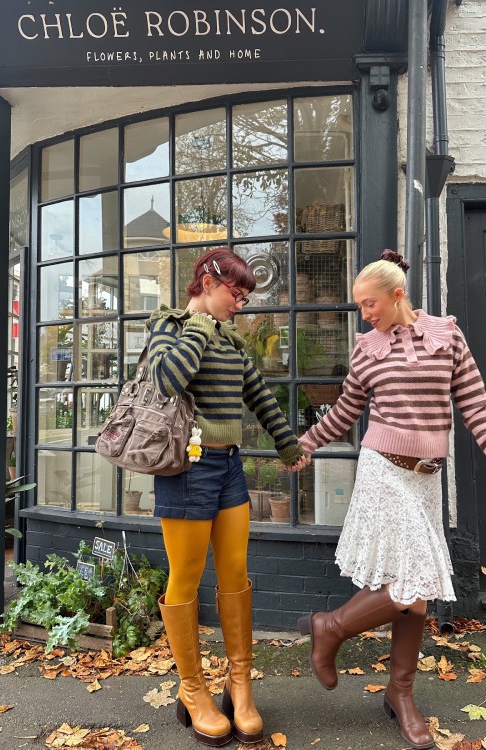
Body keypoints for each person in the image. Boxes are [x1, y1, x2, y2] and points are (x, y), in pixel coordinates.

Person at [297, 249, 486, 750]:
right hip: (383, 472)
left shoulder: (447, 337)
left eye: (370, 304)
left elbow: (474, 404)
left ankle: (398, 693)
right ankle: (332, 628)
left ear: (397, 294)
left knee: (414, 596)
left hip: (425, 480)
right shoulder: (367, 349)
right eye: (360, 306)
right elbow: (345, 412)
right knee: (414, 587)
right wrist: (307, 444)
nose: (365, 314)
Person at [146, 247, 309, 747]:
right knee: (187, 577)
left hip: (229, 467)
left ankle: (239, 685)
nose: (239, 303)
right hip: (186, 468)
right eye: (234, 293)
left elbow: (257, 394)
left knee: (236, 573)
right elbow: (166, 380)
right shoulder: (168, 326)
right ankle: (192, 689)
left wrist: (287, 443)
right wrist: (198, 324)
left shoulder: (233, 341)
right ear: (206, 282)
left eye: (243, 296)